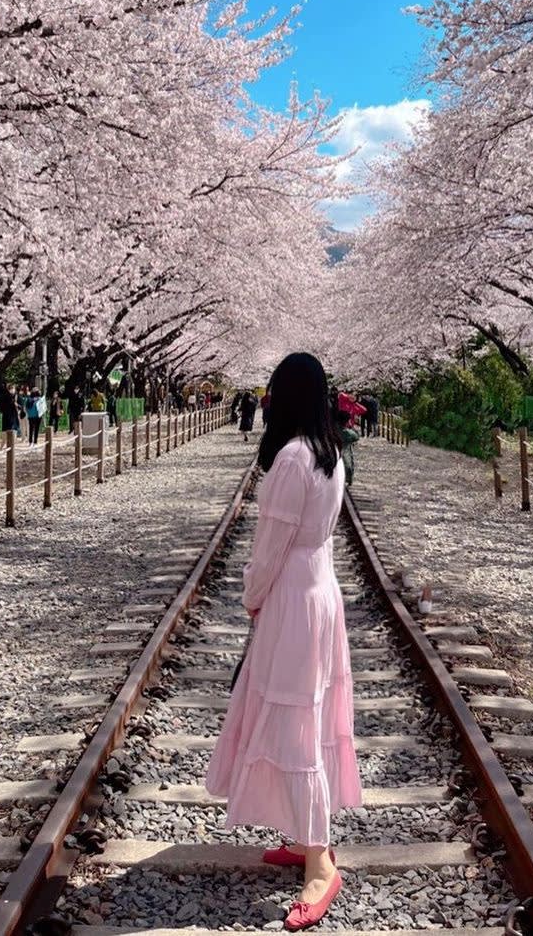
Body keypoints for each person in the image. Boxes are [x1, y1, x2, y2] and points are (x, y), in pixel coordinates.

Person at [206, 352, 357, 930]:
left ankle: (319, 864)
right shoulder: (329, 451)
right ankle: (305, 837)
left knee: (294, 721)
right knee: (309, 717)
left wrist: (252, 596)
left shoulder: (293, 458)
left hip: (293, 598)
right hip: (320, 590)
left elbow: (269, 547)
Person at [336, 407, 360, 487]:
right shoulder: (348, 432)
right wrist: (352, 427)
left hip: (335, 451)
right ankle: (348, 479)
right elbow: (356, 437)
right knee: (349, 463)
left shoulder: (333, 430)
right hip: (345, 451)